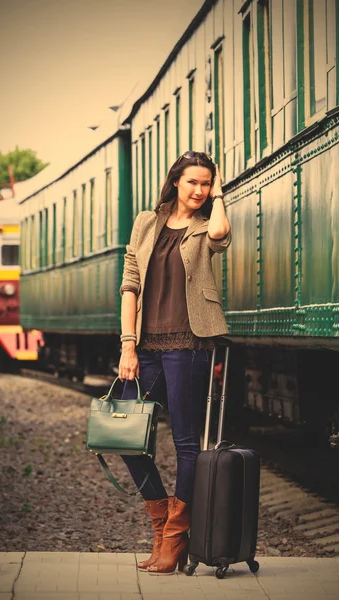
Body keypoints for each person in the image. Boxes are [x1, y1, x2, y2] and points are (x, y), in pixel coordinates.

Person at [118, 151, 231, 575]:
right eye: (193, 183)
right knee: (127, 437)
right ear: (176, 183)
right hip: (145, 347)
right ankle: (162, 521)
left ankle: (175, 536)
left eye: (206, 184)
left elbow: (222, 234)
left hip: (189, 343)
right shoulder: (147, 223)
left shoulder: (207, 225)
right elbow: (130, 286)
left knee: (186, 442)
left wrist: (220, 195)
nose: (199, 190)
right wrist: (128, 345)